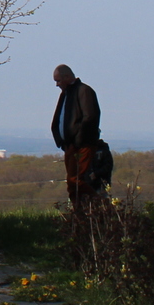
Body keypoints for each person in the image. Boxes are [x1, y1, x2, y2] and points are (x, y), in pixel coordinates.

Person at [50, 64, 109, 202]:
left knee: (75, 180)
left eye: (58, 81)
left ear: (67, 77)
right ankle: (79, 214)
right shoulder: (65, 94)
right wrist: (61, 141)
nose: (57, 84)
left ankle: (103, 205)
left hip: (83, 145)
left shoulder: (84, 91)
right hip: (69, 146)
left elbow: (90, 117)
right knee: (72, 184)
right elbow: (59, 119)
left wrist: (78, 140)